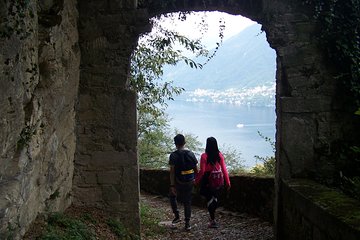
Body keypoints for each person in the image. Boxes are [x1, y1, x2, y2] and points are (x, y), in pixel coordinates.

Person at [195, 137, 231, 228]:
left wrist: (196, 181)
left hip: (208, 180)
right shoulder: (220, 155)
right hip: (218, 180)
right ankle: (213, 219)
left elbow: (202, 171)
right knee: (214, 198)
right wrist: (228, 182)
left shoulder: (204, 156)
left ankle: (213, 220)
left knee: (209, 199)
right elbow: (224, 170)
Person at [169, 134, 198, 231]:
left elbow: (172, 171)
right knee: (187, 202)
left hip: (178, 182)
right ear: (184, 142)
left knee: (172, 197)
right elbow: (195, 169)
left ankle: (177, 216)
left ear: (175, 144)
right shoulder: (191, 154)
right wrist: (195, 179)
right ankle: (187, 223)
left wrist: (172, 185)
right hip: (190, 181)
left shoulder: (173, 155)